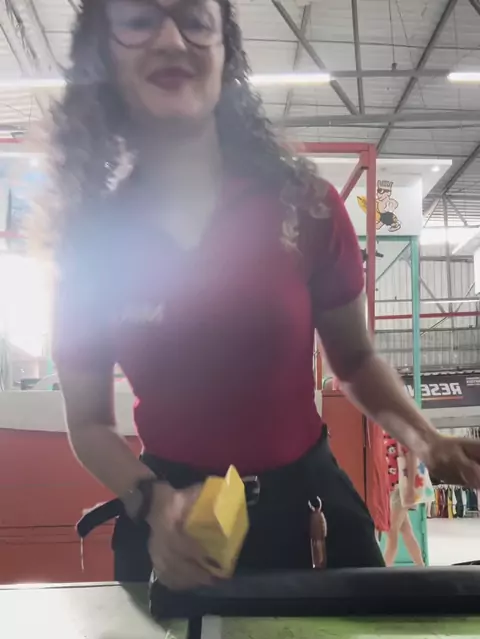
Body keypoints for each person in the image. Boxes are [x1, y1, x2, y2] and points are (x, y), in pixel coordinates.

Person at [49, 0, 480, 599]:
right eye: (140, 19)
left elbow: (355, 360)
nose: (171, 40)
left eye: (195, 20)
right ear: (103, 53)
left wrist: (426, 439)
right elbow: (89, 422)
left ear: (224, 52)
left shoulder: (304, 207)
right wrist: (151, 501)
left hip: (309, 520)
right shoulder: (91, 244)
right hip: (177, 529)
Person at [383, 434, 430, 567]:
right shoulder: (383, 434)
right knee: (406, 531)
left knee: (391, 531)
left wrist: (410, 488)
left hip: (400, 489)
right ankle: (421, 567)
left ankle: (384, 570)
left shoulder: (399, 433)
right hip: (391, 489)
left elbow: (411, 457)